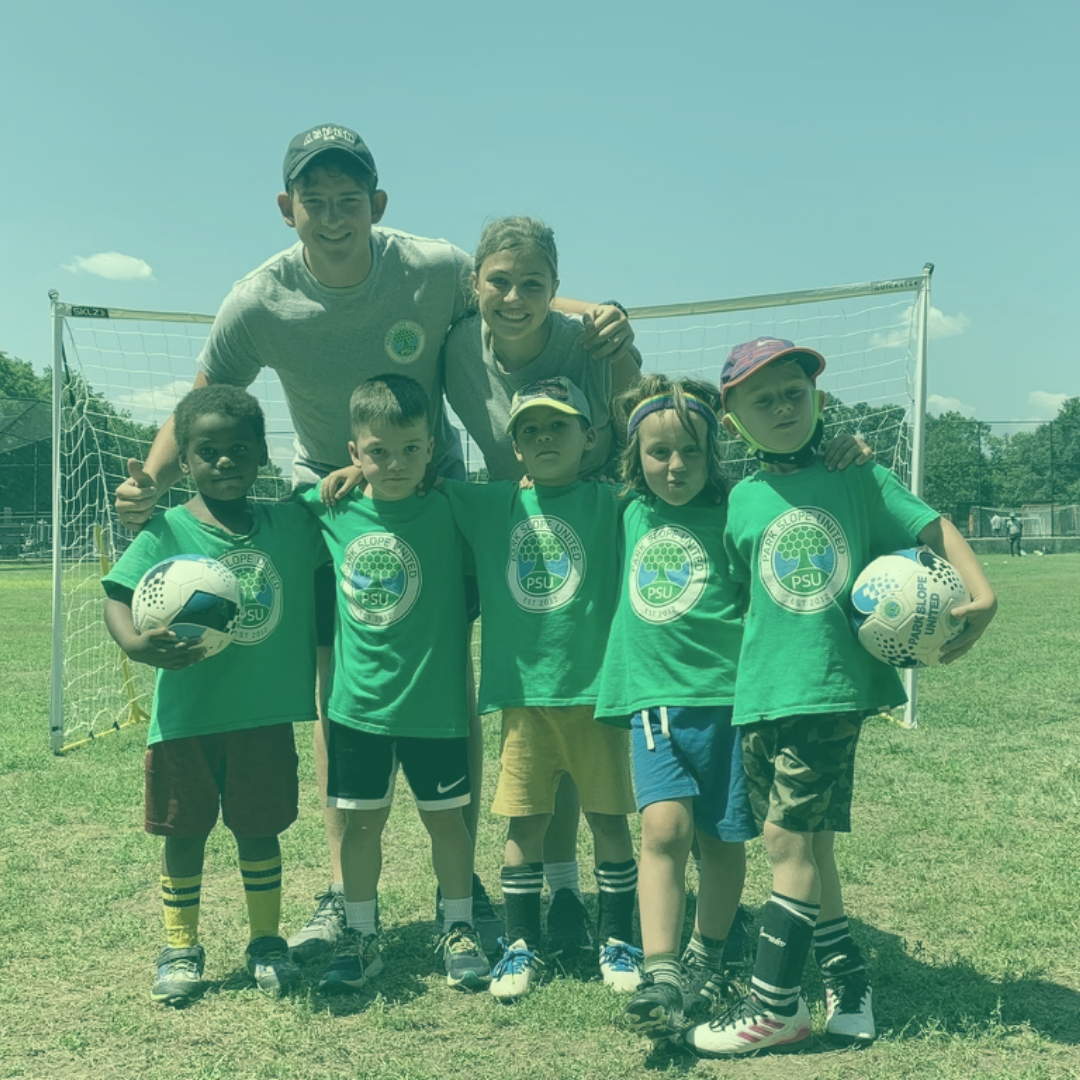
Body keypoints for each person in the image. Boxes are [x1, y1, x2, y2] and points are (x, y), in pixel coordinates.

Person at [113, 125, 635, 962]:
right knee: (337, 688)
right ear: (287, 210)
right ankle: (339, 888)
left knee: (447, 677)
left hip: (431, 490)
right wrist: (150, 478)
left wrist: (589, 310)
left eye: (347, 199)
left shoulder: (426, 266)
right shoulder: (257, 298)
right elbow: (208, 393)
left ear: (375, 205)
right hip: (329, 501)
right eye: (313, 201)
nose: (331, 215)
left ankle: (455, 892)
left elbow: (505, 288)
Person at [685, 338, 997, 1057]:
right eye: (763, 399)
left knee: (785, 841)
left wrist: (983, 594)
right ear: (733, 418)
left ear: (817, 399)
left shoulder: (856, 475)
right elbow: (744, 599)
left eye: (795, 393)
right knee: (811, 845)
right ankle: (848, 979)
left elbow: (932, 526)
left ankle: (775, 1006)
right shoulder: (741, 500)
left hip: (828, 691)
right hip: (761, 695)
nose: (783, 408)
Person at [101, 385, 326, 1006]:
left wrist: (357, 469)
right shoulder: (166, 529)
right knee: (185, 831)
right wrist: (135, 646)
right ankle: (181, 947)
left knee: (259, 830)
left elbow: (339, 501)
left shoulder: (290, 524)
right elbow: (118, 597)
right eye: (206, 451)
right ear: (187, 459)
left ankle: (265, 941)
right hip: (186, 719)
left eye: (238, 450)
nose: (223, 461)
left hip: (264, 718)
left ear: (261, 455)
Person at [439, 377, 640, 1001]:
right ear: (515, 449)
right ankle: (520, 946)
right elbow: (414, 482)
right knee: (523, 826)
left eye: (559, 426)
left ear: (591, 437)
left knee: (609, 821)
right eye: (530, 429)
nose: (545, 437)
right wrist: (348, 476)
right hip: (523, 703)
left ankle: (617, 940)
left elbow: (682, 488)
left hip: (597, 700)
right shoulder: (493, 504)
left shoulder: (614, 503)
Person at [296, 374, 490, 993]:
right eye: (378, 450)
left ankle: (457, 927)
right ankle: (360, 936)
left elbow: (529, 502)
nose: (396, 463)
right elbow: (258, 524)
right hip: (357, 711)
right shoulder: (330, 507)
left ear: (432, 446)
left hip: (434, 710)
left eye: (411, 449)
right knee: (359, 828)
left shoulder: (453, 505)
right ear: (353, 453)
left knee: (448, 825)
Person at [594, 375, 757, 1043]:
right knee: (663, 831)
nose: (676, 466)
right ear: (636, 457)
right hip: (656, 705)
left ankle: (708, 957)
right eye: (660, 452)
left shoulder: (737, 511)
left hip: (729, 702)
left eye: (691, 450)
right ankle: (662, 972)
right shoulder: (626, 510)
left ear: (713, 451)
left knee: (721, 840)